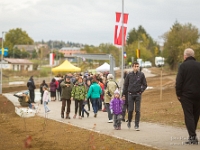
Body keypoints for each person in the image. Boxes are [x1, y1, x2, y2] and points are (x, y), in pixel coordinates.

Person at [175, 48, 200, 145]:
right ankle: (193, 135)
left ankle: (192, 137)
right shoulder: (199, 65)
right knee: (196, 115)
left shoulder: (183, 66)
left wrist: (178, 94)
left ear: (185, 56)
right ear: (193, 56)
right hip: (198, 95)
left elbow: (179, 81)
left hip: (186, 96)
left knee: (188, 115)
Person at [122, 61, 147, 131]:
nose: (136, 68)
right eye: (135, 66)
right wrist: (124, 94)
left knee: (137, 110)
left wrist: (141, 91)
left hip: (138, 94)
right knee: (130, 110)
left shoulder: (141, 75)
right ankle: (129, 121)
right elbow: (125, 85)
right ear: (133, 67)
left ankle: (136, 124)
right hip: (130, 94)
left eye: (137, 66)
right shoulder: (129, 75)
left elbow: (145, 85)